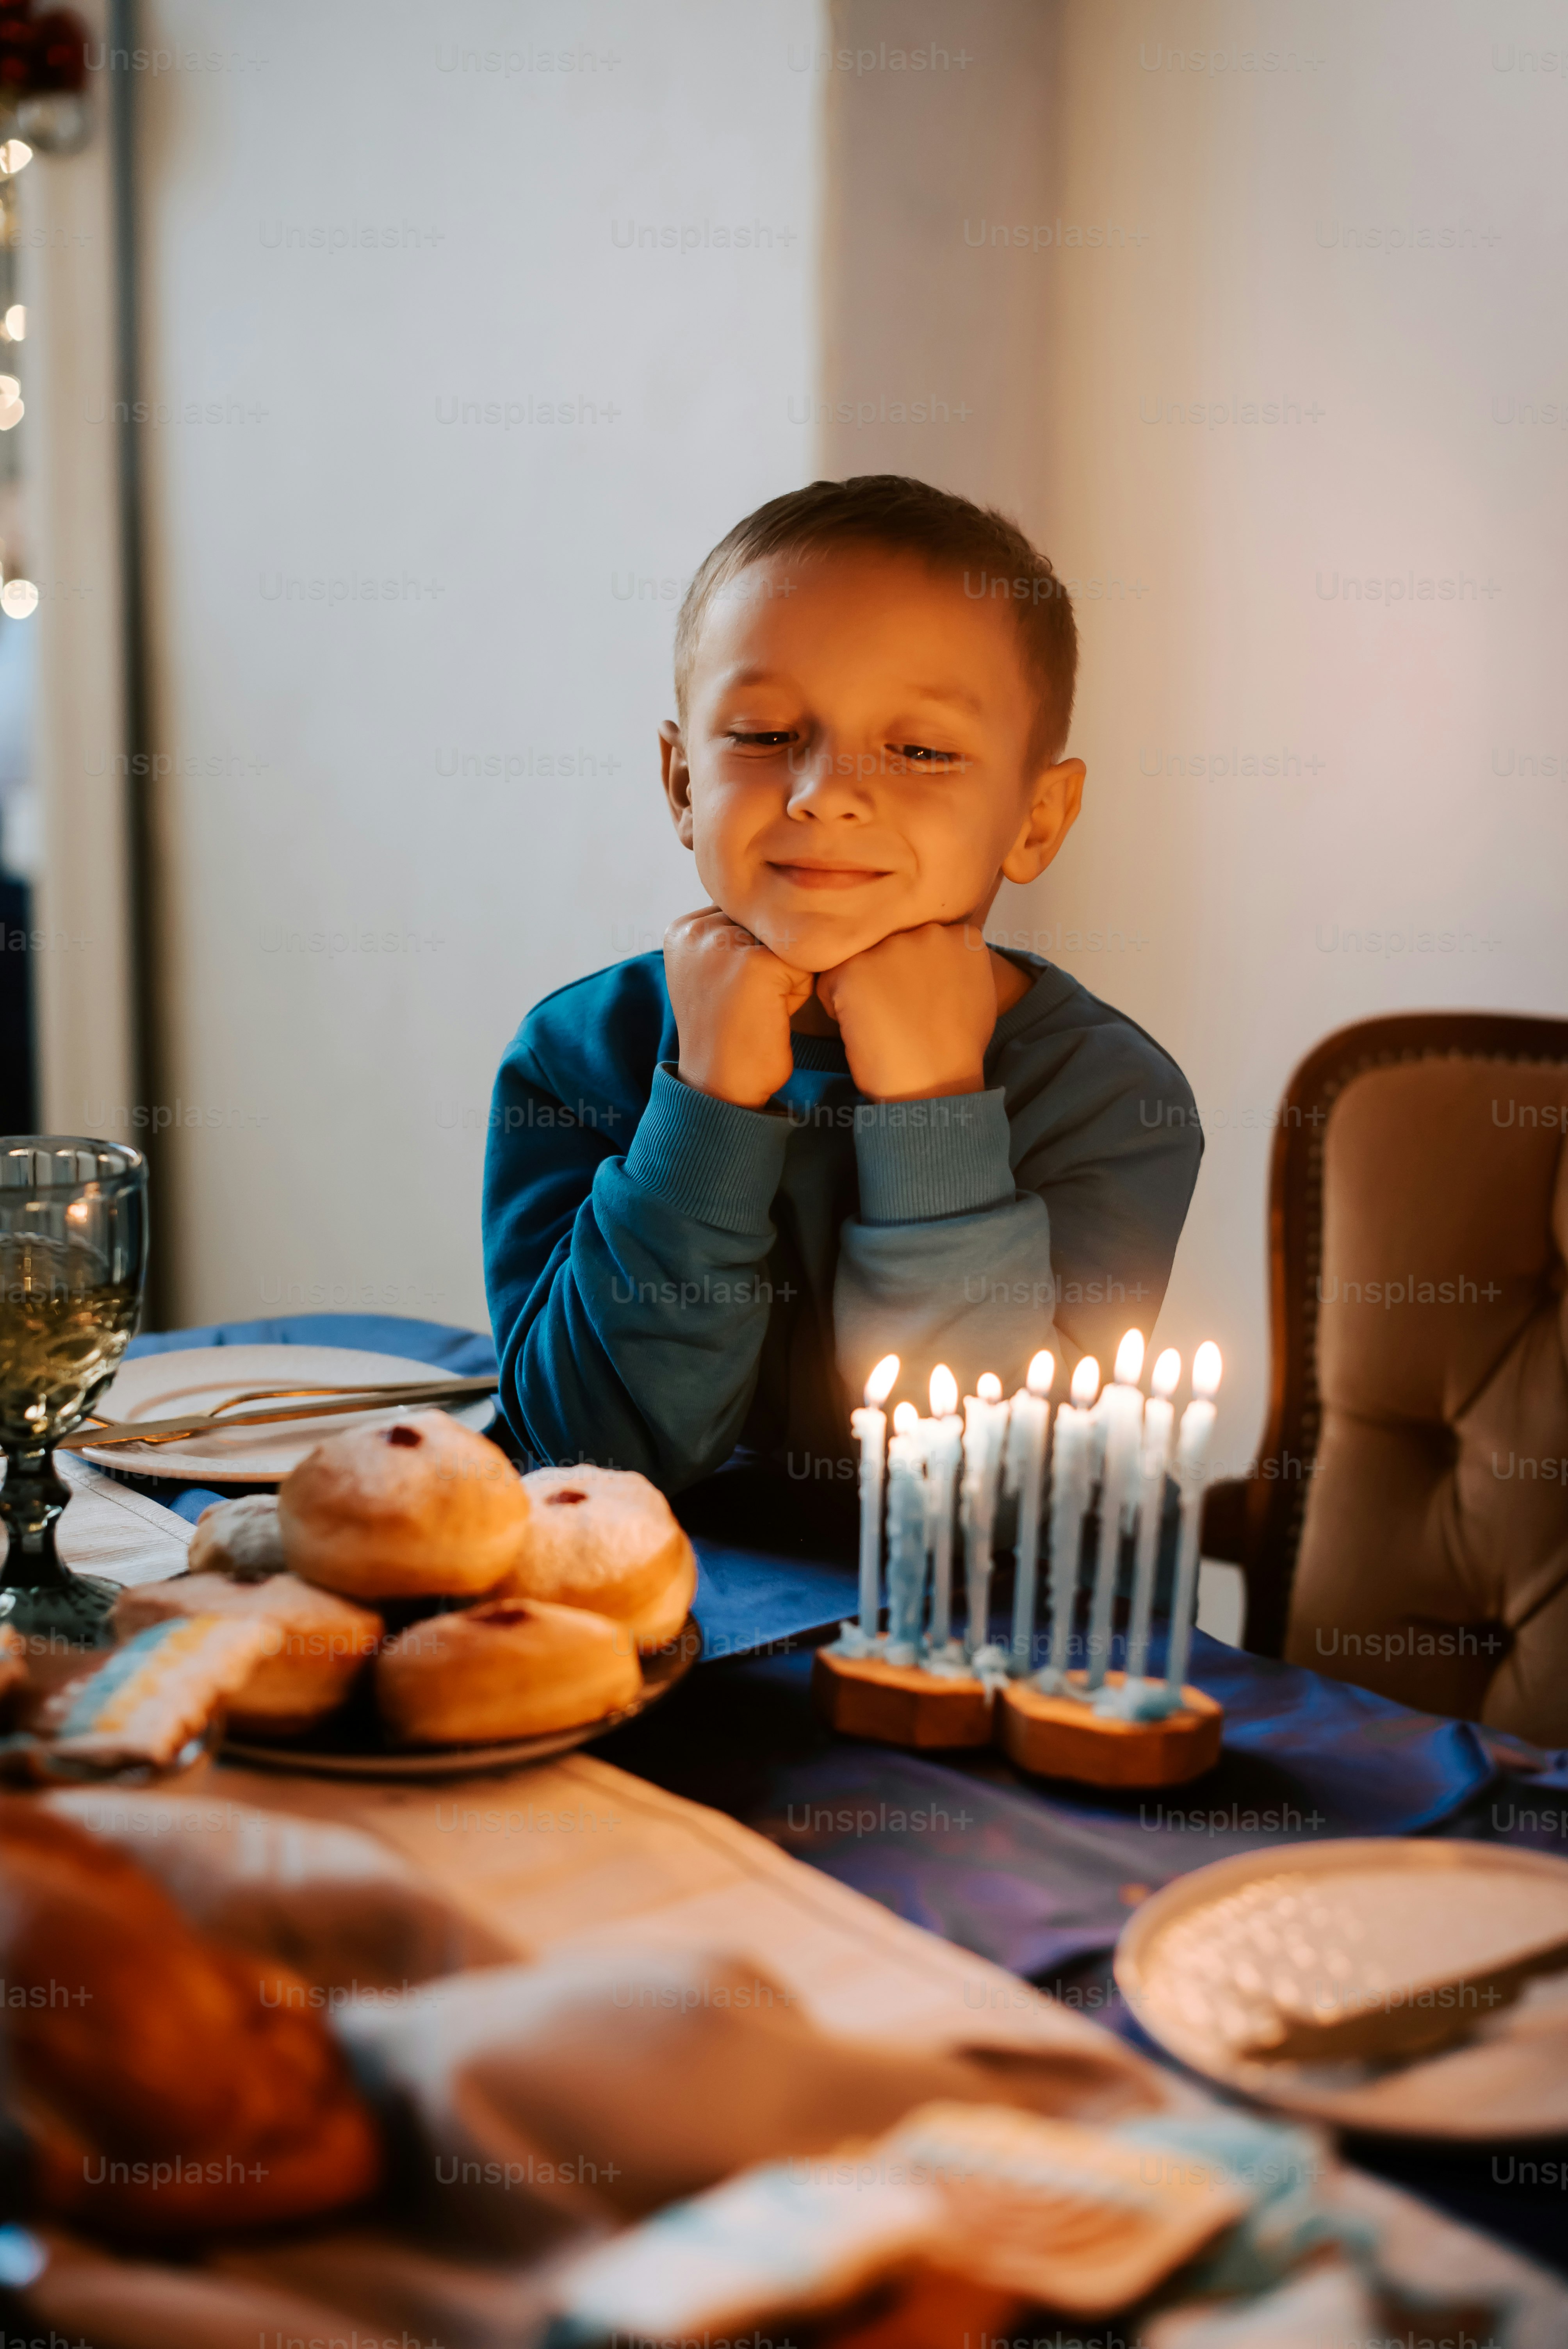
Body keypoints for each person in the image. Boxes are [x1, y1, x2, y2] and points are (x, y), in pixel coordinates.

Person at [483, 476, 1201, 1502]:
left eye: (919, 750)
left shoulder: (1115, 1100)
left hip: (950, 1650)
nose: (824, 796)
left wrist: (936, 1111)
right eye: (767, 736)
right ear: (684, 783)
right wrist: (708, 1107)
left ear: (1038, 818)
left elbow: (981, 1500)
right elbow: (591, 1462)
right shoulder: (574, 1057)